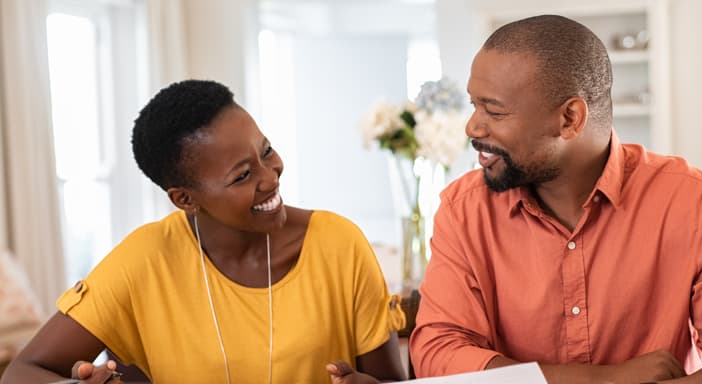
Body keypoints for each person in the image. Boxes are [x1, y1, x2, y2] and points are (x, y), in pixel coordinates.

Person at [409, 15, 702, 384]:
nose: (473, 127)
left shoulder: (694, 202)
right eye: (474, 105)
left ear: (570, 118)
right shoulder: (464, 210)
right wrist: (606, 379)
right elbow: (438, 352)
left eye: (494, 111)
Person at [0, 80, 406, 384]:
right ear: (184, 199)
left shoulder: (339, 244)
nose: (271, 177)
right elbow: (22, 371)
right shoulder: (144, 260)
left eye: (265, 151)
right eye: (243, 175)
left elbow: (392, 383)